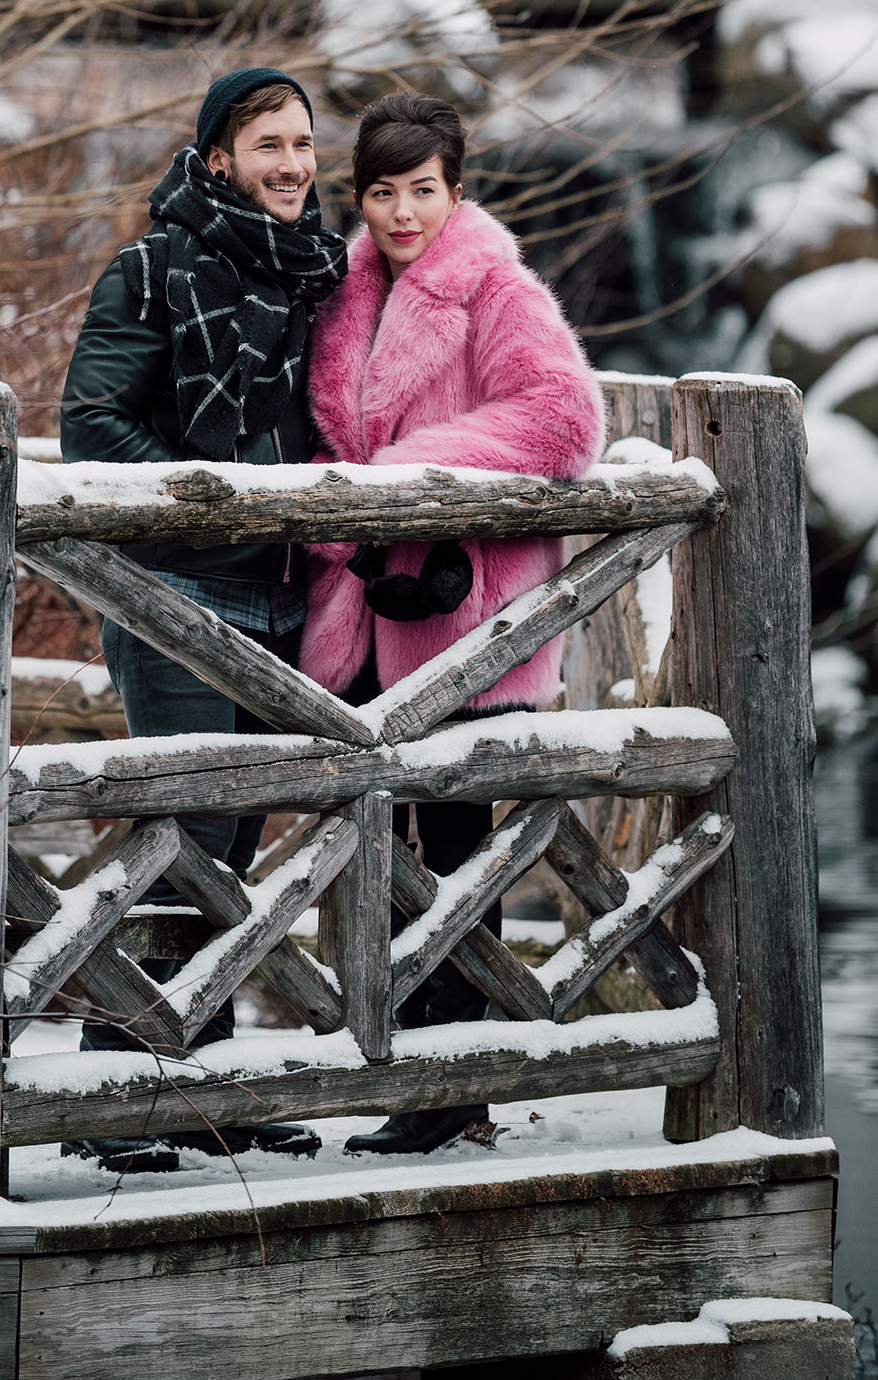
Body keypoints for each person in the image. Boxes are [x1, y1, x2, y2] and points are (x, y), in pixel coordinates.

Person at [301, 89, 605, 1156]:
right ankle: (417, 1079)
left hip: (469, 623)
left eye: (421, 191)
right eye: (381, 193)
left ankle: (450, 1090)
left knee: (455, 850)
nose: (401, 213)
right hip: (370, 612)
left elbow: (567, 418)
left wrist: (413, 472)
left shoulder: (495, 287)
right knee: (383, 851)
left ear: (455, 190)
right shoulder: (344, 291)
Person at [58, 67, 347, 1170]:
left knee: (227, 852)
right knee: (177, 842)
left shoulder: (320, 272)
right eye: (267, 144)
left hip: (286, 596)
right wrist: (215, 504)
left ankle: (197, 1085)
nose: (290, 164)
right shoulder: (151, 267)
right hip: (174, 589)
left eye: (304, 145)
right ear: (217, 157)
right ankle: (118, 1090)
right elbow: (93, 425)